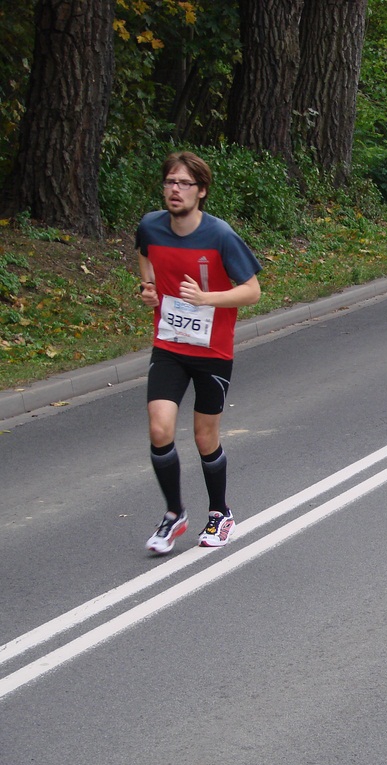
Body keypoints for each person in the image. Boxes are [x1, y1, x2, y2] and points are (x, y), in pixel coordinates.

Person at [137, 151, 262, 554]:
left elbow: (253, 291)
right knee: (160, 428)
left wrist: (206, 297)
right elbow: (144, 253)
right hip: (169, 344)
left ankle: (219, 513)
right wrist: (148, 285)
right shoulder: (151, 227)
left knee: (204, 435)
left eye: (185, 183)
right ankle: (174, 515)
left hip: (212, 350)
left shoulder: (220, 235)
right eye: (170, 182)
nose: (175, 189)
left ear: (201, 191)